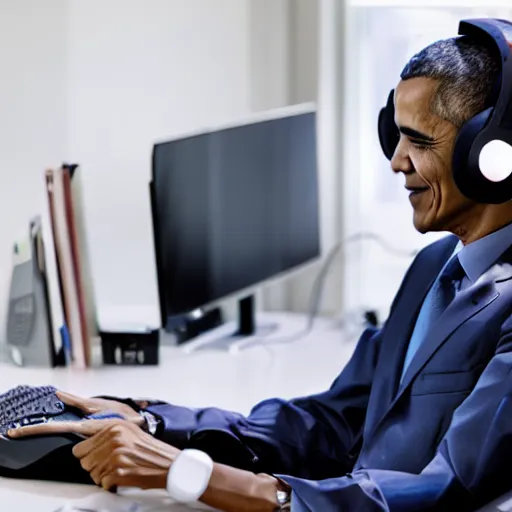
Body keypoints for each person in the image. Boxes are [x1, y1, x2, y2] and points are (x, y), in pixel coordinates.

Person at [10, 23, 512, 512]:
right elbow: (333, 421)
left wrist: (192, 475)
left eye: (419, 142)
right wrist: (155, 424)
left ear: (492, 154)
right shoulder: (432, 267)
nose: (396, 161)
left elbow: (445, 490)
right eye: (395, 135)